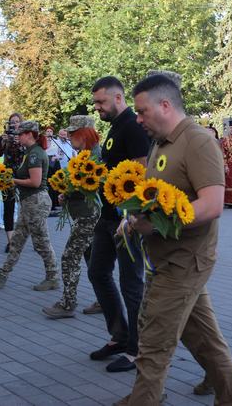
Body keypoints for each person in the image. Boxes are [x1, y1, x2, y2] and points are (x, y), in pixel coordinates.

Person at [113, 74, 232, 406]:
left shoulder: (198, 142)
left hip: (185, 261)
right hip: (166, 260)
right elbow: (156, 199)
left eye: (142, 111)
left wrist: (156, 226)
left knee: (154, 341)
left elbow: (212, 205)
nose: (137, 119)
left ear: (165, 105)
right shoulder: (160, 142)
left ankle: (143, 400)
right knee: (205, 341)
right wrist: (133, 219)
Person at [87, 76, 149, 373]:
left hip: (127, 220)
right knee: (97, 272)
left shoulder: (133, 126)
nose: (97, 107)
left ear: (118, 98)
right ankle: (120, 336)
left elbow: (143, 172)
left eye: (101, 101)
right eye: (95, 102)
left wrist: (133, 216)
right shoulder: (114, 126)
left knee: (131, 284)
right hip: (108, 216)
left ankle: (138, 349)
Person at [0, 121, 59, 291]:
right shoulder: (29, 152)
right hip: (29, 202)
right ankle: (2, 274)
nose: (18, 137)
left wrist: (11, 180)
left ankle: (53, 277)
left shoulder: (35, 154)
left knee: (41, 243)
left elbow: (35, 182)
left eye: (20, 134)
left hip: (36, 202)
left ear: (29, 135)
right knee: (17, 241)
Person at [43, 116, 101, 319]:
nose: (69, 136)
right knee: (93, 260)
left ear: (84, 134)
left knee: (69, 258)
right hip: (84, 214)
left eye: (73, 132)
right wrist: (66, 193)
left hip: (88, 215)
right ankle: (104, 300)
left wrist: (68, 192)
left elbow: (89, 185)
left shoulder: (94, 156)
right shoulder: (87, 153)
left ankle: (68, 304)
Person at [0, 113, 26, 253]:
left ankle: (33, 237)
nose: (14, 124)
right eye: (12, 122)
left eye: (17, 121)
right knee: (8, 207)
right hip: (7, 175)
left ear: (21, 123)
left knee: (27, 207)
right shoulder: (5, 136)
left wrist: (19, 142)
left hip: (23, 174)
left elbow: (27, 152)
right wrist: (3, 142)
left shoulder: (25, 136)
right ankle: (11, 242)